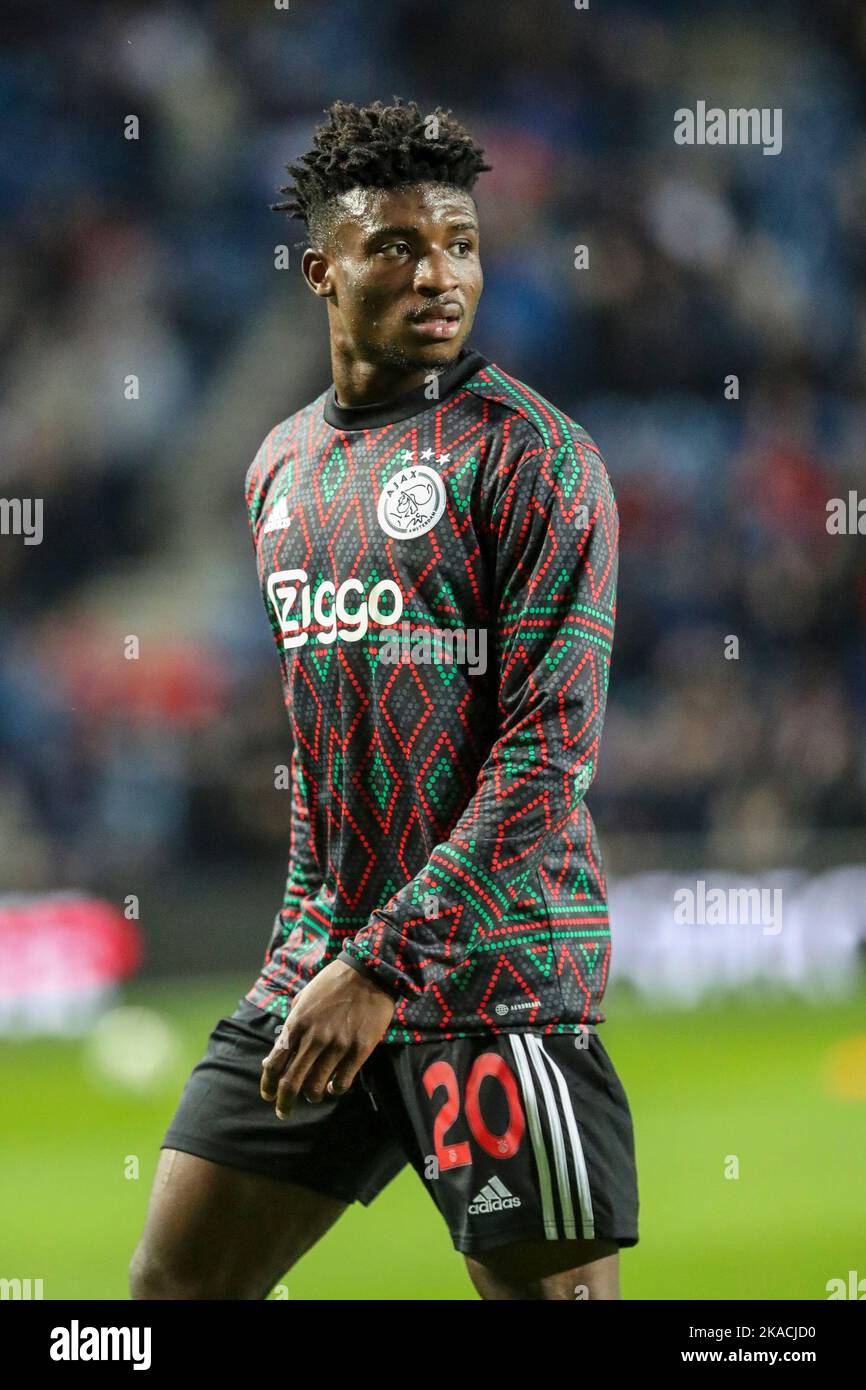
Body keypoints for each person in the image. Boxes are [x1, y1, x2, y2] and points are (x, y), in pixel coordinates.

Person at [130, 97, 638, 1302]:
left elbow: (543, 762)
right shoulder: (278, 472)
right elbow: (323, 748)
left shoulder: (534, 459)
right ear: (320, 269)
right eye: (397, 246)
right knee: (161, 1302)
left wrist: (384, 967)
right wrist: (327, 951)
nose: (438, 273)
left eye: (459, 243)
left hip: (495, 982)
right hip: (318, 968)